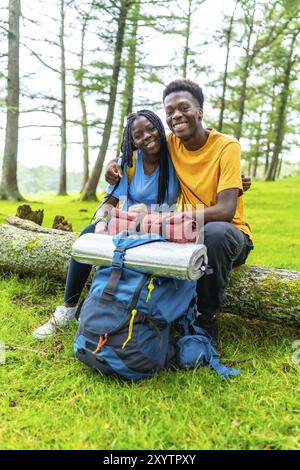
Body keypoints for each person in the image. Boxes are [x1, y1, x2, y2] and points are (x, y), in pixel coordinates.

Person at [105, 79, 253, 343]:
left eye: (183, 108)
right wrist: (112, 163)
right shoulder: (171, 143)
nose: (176, 116)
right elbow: (135, 143)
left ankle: (205, 322)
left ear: (200, 111)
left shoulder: (227, 146)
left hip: (230, 235)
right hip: (191, 231)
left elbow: (226, 210)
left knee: (214, 233)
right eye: (169, 111)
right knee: (158, 237)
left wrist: (169, 216)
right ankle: (142, 309)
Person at [33, 110, 179, 339]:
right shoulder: (129, 163)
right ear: (133, 141)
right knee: (87, 236)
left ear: (160, 128)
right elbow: (109, 202)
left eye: (151, 129)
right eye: (139, 135)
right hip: (128, 227)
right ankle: (68, 309)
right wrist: (101, 222)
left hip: (162, 228)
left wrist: (151, 212)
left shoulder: (177, 159)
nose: (148, 136)